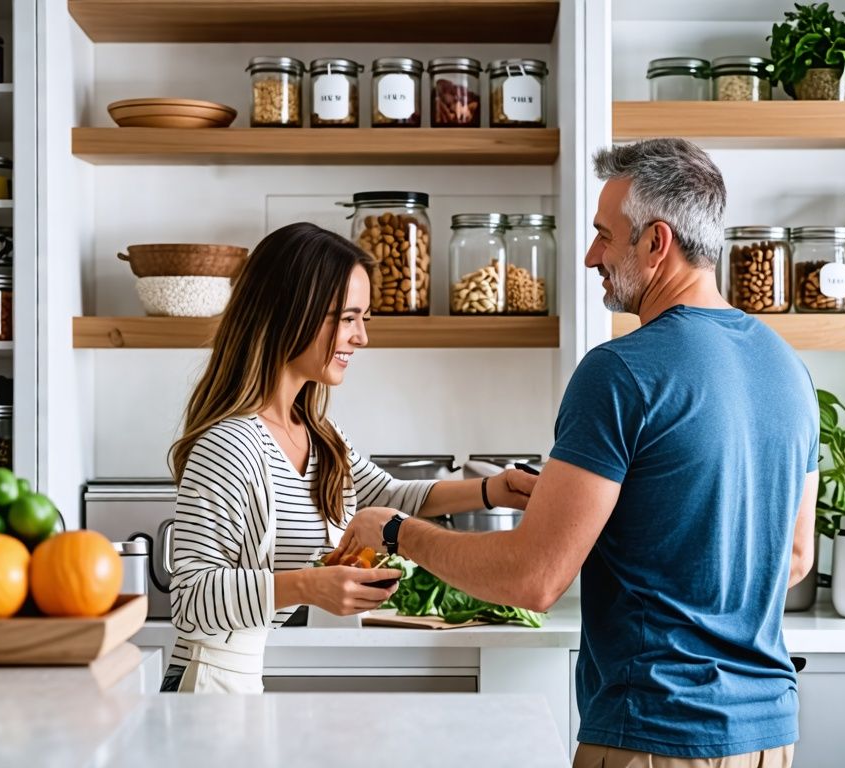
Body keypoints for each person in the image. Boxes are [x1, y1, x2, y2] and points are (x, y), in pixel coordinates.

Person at [336, 139, 819, 768]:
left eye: (603, 236)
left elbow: (533, 580)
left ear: (657, 242)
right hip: (769, 734)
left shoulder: (622, 372)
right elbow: (797, 556)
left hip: (654, 733)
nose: (591, 256)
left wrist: (397, 531)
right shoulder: (788, 368)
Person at [161, 222, 538, 694]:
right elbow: (190, 598)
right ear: (290, 312)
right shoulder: (231, 445)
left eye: (364, 319)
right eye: (347, 318)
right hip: (200, 691)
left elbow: (387, 494)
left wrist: (491, 490)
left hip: (242, 683)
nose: (361, 338)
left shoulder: (319, 436)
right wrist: (306, 586)